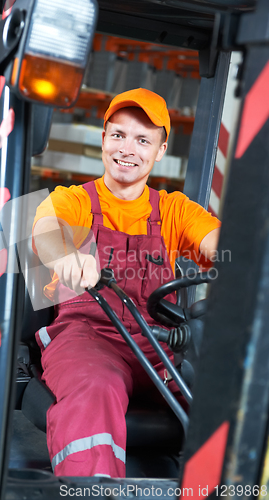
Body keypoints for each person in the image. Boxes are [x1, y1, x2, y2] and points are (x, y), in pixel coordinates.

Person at [32, 88, 221, 478]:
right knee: (95, 386)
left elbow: (219, 242)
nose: (127, 149)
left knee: (226, 396)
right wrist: (66, 255)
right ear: (103, 138)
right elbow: (47, 231)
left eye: (142, 139)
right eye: (118, 135)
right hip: (87, 339)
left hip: (157, 346)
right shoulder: (73, 201)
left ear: (161, 149)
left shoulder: (174, 211)